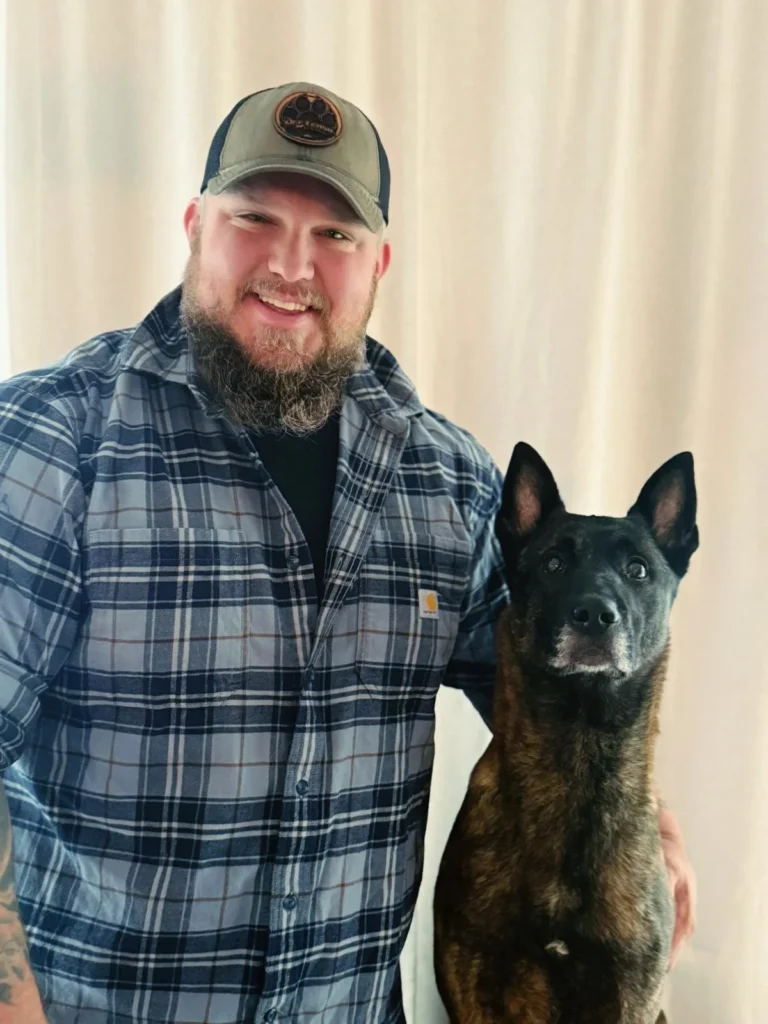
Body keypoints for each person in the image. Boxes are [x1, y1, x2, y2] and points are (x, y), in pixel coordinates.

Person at [0, 81, 695, 1024]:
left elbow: (542, 679)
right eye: (255, 217)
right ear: (195, 223)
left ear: (380, 262)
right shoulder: (48, 443)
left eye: (336, 235)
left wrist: (644, 830)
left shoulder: (446, 479)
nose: (292, 264)